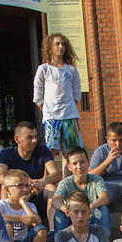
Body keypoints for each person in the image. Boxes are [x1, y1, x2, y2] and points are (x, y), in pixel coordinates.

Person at [32, 33, 82, 174]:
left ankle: (68, 179)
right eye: (57, 44)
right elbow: (38, 92)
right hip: (51, 117)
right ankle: (48, 180)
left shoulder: (71, 69)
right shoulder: (44, 69)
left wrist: (69, 107)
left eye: (63, 44)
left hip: (69, 116)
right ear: (50, 47)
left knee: (70, 151)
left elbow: (76, 92)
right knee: (50, 151)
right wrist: (45, 109)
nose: (61, 47)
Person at [0, 121, 58, 211]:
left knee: (51, 188)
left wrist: (42, 182)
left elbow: (55, 174)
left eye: (35, 137)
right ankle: (6, 218)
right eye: (29, 137)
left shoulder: (43, 150)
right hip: (18, 190)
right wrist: (27, 182)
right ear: (17, 139)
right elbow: (0, 177)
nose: (34, 140)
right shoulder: (6, 153)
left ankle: (52, 220)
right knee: (5, 187)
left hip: (37, 190)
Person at [50, 145, 110, 233]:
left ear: (88, 162)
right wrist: (65, 209)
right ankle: (63, 240)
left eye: (82, 162)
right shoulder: (65, 183)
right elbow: (55, 200)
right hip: (71, 217)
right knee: (59, 214)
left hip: (91, 215)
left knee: (103, 209)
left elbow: (104, 198)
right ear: (69, 167)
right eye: (74, 163)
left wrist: (90, 207)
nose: (79, 166)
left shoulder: (97, 180)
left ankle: (103, 239)